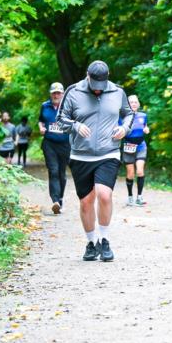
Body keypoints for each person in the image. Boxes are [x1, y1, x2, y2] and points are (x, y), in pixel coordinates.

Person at [56, 61, 132, 262]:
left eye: (102, 85)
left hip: (109, 152)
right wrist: (75, 125)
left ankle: (105, 240)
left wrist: (124, 129)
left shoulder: (117, 92)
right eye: (94, 85)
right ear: (87, 76)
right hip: (81, 154)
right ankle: (91, 243)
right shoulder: (73, 92)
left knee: (104, 195)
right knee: (86, 201)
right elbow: (60, 119)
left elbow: (129, 115)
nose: (98, 91)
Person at [39, 82, 70, 214]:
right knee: (53, 170)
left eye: (59, 93)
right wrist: (41, 127)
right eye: (54, 93)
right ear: (51, 94)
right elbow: (40, 119)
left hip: (64, 144)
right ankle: (55, 201)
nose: (56, 95)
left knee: (62, 174)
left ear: (63, 94)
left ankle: (60, 199)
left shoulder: (68, 107)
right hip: (49, 143)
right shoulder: (44, 106)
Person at [121, 94, 150, 207]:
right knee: (130, 173)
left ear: (138, 104)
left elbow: (145, 127)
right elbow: (119, 130)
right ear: (128, 105)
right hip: (128, 146)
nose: (133, 104)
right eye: (131, 102)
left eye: (135, 102)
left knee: (140, 171)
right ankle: (130, 197)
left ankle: (139, 197)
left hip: (141, 146)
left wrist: (147, 129)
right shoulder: (123, 117)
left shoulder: (143, 115)